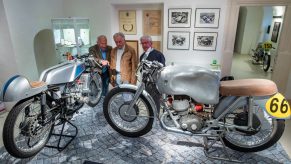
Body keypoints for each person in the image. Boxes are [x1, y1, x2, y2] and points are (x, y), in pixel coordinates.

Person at [139, 35, 166, 113]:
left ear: (151, 43)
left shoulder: (158, 54)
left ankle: (156, 116)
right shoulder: (142, 56)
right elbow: (142, 69)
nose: (144, 45)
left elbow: (162, 69)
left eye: (146, 43)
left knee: (156, 101)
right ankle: (150, 114)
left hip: (155, 83)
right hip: (146, 83)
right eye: (142, 43)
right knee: (148, 100)